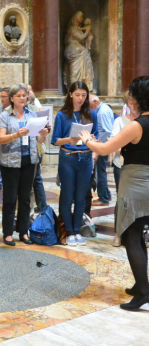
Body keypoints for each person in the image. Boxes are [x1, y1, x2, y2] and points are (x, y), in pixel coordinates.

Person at [78, 76, 149, 311]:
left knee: (131, 235)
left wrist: (88, 140)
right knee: (138, 235)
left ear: (137, 99)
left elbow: (105, 148)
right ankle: (142, 285)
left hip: (136, 184)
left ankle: (144, 292)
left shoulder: (137, 125)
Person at [0, 83, 49, 246]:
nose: (22, 98)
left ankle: (23, 231)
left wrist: (43, 134)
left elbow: (38, 140)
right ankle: (7, 233)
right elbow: (1, 139)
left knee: (26, 198)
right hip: (10, 162)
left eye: (24, 95)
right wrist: (15, 135)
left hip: (29, 160)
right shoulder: (5, 116)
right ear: (12, 99)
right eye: (18, 96)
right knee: (10, 199)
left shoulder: (32, 115)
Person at [51, 81, 98, 246]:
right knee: (68, 195)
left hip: (85, 158)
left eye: (83, 95)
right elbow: (55, 140)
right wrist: (70, 139)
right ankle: (69, 231)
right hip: (68, 157)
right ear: (70, 94)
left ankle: (77, 231)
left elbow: (96, 135)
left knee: (81, 197)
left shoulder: (92, 114)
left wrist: (92, 140)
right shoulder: (62, 115)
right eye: (77, 95)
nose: (80, 98)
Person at [110, 94, 140, 247]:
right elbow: (113, 143)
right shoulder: (120, 121)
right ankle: (118, 233)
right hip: (121, 165)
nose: (133, 106)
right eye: (130, 103)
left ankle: (140, 232)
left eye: (136, 102)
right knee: (122, 199)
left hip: (140, 168)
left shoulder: (144, 122)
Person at [89, 95, 114, 206]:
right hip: (103, 145)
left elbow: (106, 131)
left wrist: (99, 150)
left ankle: (103, 198)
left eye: (89, 104)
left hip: (102, 146)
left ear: (95, 101)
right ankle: (107, 194)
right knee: (100, 170)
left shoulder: (102, 112)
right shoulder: (103, 109)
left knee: (100, 172)